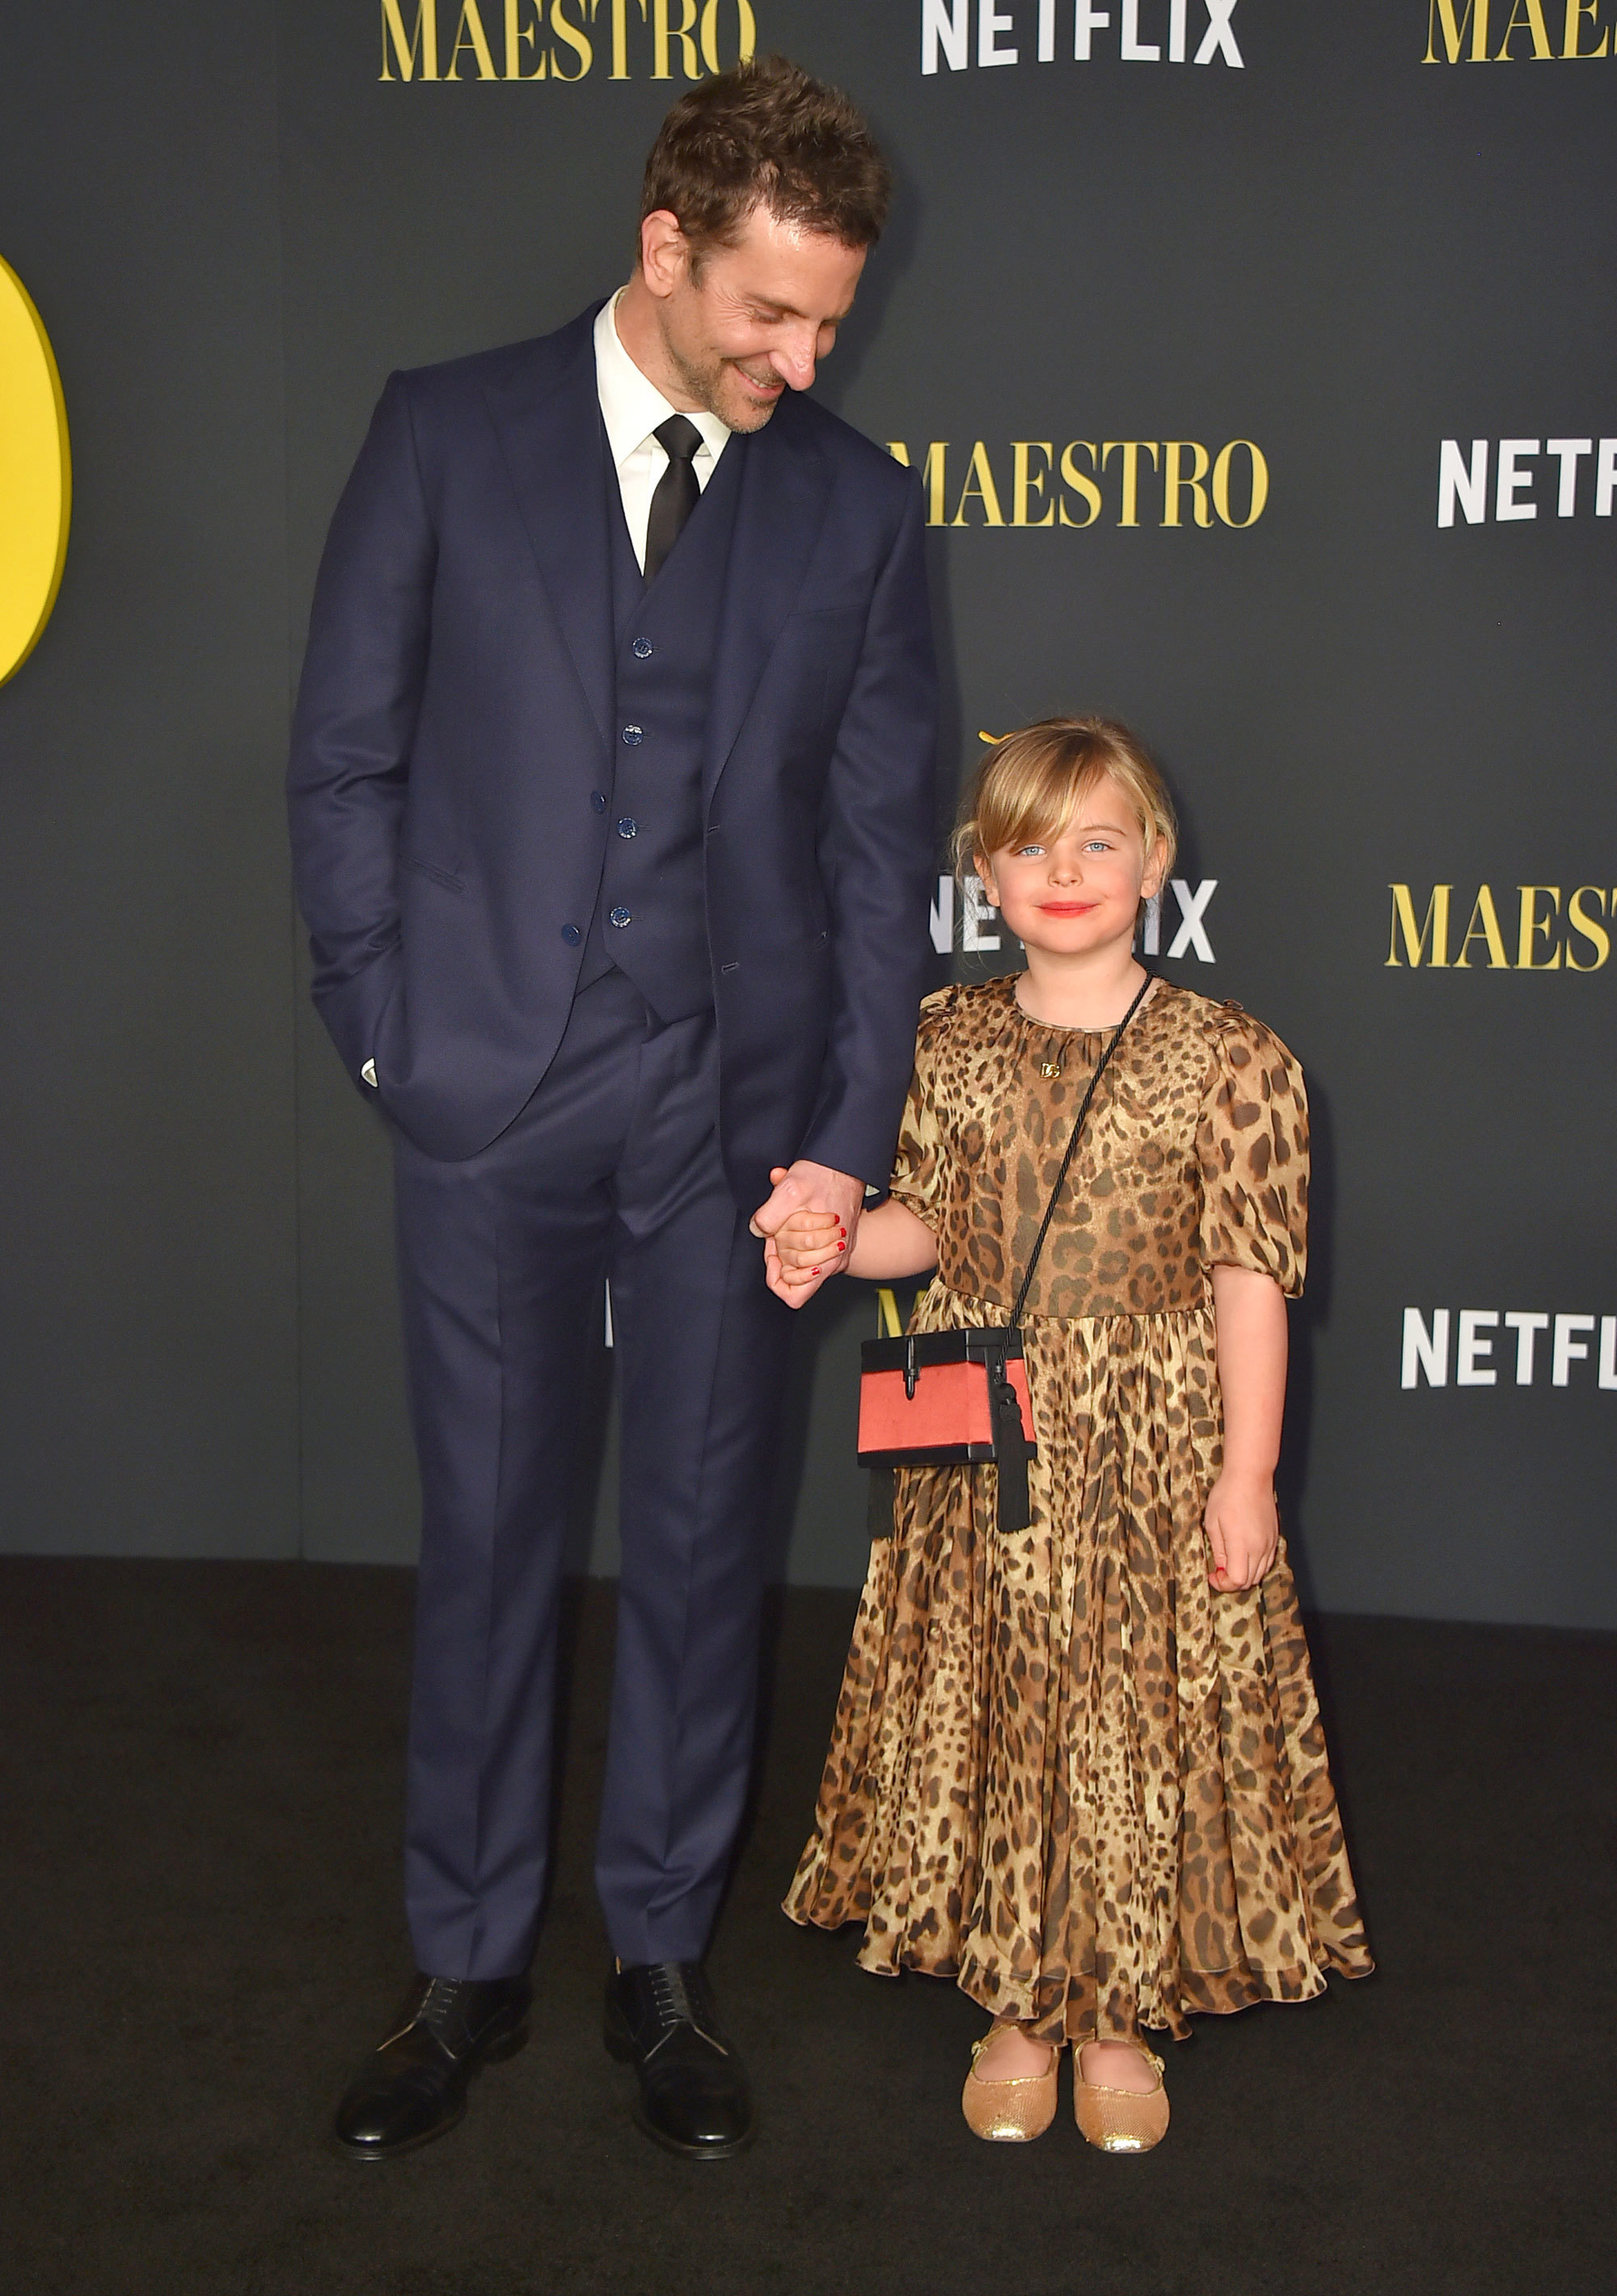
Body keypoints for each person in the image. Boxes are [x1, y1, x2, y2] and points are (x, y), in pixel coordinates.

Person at [287, 57, 936, 2163]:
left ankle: (659, 1958)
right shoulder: (445, 433)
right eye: (770, 311)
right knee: (484, 1532)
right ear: (666, 249)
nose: (801, 356)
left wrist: (842, 1135)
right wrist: (393, 1032)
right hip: (491, 1089)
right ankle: (464, 1960)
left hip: (733, 1123)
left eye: (829, 320)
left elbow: (872, 850)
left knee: (699, 1534)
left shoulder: (856, 502)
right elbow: (345, 763)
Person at [771, 718, 1372, 2148]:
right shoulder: (940, 1038)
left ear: (1158, 864)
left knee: (1124, 1712)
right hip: (986, 1444)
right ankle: (1019, 2006)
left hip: (1156, 1446)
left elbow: (1248, 1283)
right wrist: (831, 1236)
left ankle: (1116, 2015)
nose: (1066, 870)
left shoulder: (1236, 1060)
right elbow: (925, 1231)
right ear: (984, 873)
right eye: (1029, 844)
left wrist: (1247, 1476)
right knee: (1009, 1699)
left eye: (1100, 840)